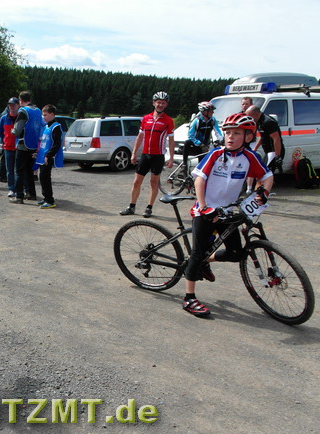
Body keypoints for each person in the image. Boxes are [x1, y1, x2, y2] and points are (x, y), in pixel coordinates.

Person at [182, 113, 273, 317]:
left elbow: (267, 176)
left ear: (248, 137)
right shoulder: (215, 154)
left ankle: (206, 261)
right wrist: (204, 207)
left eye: (237, 133)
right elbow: (199, 179)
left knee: (236, 253)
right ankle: (189, 298)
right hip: (206, 210)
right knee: (196, 254)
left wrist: (263, 192)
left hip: (226, 212)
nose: (230, 137)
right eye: (228, 132)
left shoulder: (249, 157)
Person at [120, 91, 175, 218]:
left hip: (158, 156)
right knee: (136, 182)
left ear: (166, 105)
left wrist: (171, 158)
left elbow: (171, 140)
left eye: (163, 103)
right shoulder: (146, 118)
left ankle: (149, 207)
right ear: (153, 103)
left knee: (153, 183)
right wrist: (134, 153)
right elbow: (140, 137)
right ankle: (131, 206)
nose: (160, 105)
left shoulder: (168, 121)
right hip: (145, 155)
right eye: (158, 102)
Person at [12, 91, 44, 204]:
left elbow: (17, 130)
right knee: (30, 171)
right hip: (33, 145)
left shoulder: (23, 111)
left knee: (19, 171)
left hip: (23, 144)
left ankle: (19, 196)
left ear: (20, 100)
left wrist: (12, 131)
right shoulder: (38, 110)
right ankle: (31, 193)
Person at [245, 105, 285, 193]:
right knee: (263, 172)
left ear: (255, 114)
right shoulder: (259, 121)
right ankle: (263, 191)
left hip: (273, 152)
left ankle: (261, 193)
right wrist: (255, 149)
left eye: (250, 116)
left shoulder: (268, 122)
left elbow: (276, 138)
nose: (249, 119)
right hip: (268, 152)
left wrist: (277, 155)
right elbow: (263, 137)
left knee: (264, 174)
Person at [35, 104, 64, 209]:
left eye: (45, 115)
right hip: (42, 156)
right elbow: (43, 142)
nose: (43, 117)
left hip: (48, 157)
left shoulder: (56, 127)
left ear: (52, 114)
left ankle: (50, 200)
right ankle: (45, 198)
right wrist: (38, 153)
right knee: (42, 178)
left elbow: (57, 144)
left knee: (45, 177)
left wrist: (49, 155)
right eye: (43, 115)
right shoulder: (46, 126)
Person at [0, 97, 19, 197]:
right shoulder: (4, 118)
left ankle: (19, 189)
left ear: (18, 106)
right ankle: (11, 189)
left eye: (14, 105)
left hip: (19, 148)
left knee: (18, 170)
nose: (12, 107)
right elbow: (0, 132)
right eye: (10, 105)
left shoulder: (21, 117)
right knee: (9, 170)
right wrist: (6, 140)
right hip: (8, 147)